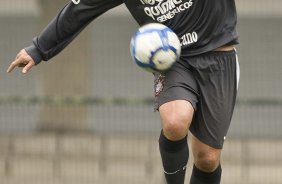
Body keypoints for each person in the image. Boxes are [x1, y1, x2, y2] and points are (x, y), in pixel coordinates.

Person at [7, 0, 240, 183]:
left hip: (219, 55)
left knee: (207, 158)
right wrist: (39, 48)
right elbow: (79, 10)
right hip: (172, 60)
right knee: (175, 121)